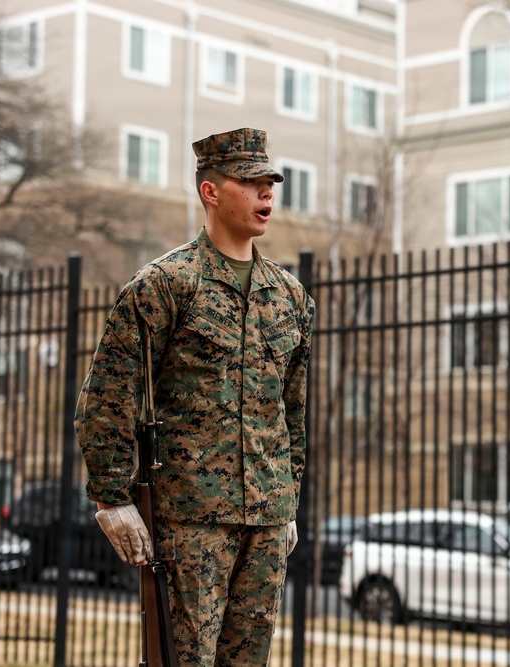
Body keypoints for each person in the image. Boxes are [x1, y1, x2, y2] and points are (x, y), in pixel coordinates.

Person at [75, 127, 314, 666]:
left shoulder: (291, 297)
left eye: (269, 183)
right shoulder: (164, 284)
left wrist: (288, 498)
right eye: (251, 183)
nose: (266, 195)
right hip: (190, 520)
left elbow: (293, 410)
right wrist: (111, 496)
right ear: (211, 191)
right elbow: (109, 393)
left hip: (268, 518)